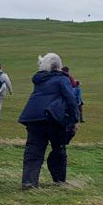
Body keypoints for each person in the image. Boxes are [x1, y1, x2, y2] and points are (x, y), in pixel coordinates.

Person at [18, 53, 79, 190]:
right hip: (53, 119)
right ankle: (59, 181)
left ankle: (29, 182)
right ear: (59, 66)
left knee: (33, 150)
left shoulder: (39, 80)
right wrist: (75, 120)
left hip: (33, 118)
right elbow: (71, 99)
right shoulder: (62, 80)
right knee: (59, 149)